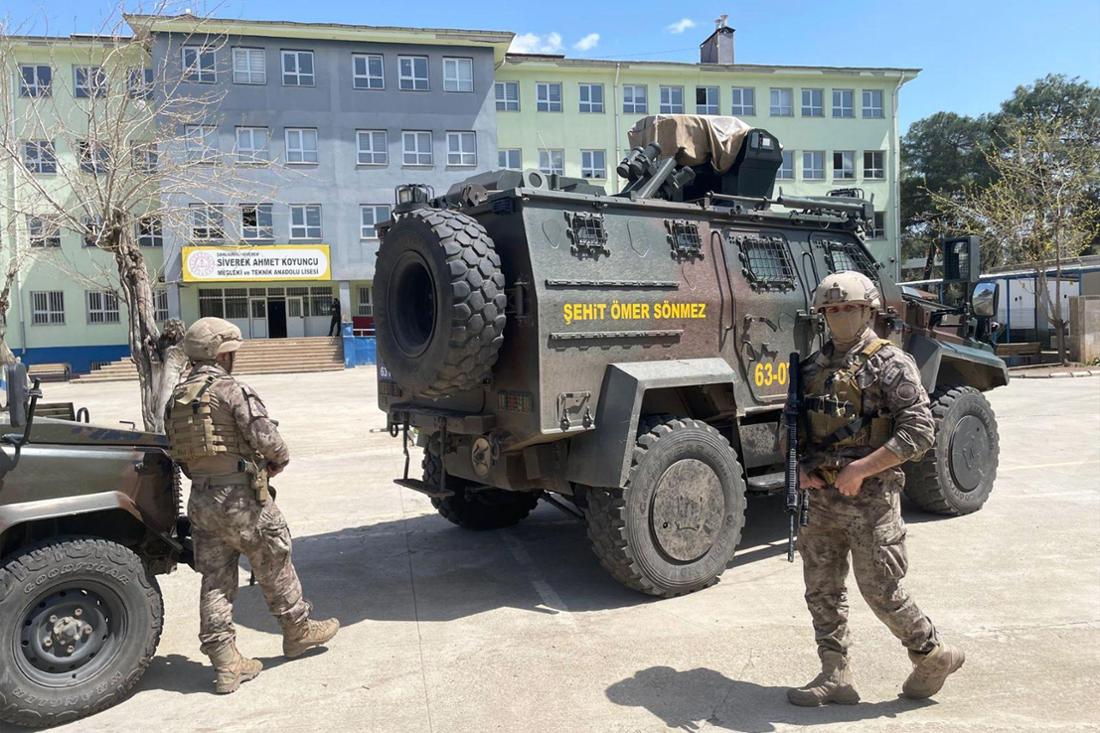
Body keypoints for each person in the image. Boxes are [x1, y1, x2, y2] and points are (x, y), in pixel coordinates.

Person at [787, 271, 964, 707]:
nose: (839, 316)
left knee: (882, 591)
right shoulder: (809, 369)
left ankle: (931, 653)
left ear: (868, 310)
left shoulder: (891, 363)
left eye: (848, 308)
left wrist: (862, 469)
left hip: (872, 502)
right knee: (822, 591)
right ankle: (835, 674)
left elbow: (920, 432)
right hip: (821, 501)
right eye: (831, 310)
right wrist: (802, 470)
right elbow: (794, 431)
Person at [165, 317, 339, 694]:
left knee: (216, 579)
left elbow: (180, 455)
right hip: (240, 499)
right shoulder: (230, 389)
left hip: (202, 500)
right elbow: (270, 441)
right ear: (221, 354)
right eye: (232, 352)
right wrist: (273, 463)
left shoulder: (177, 399)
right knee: (275, 558)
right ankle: (298, 632)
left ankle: (226, 662)